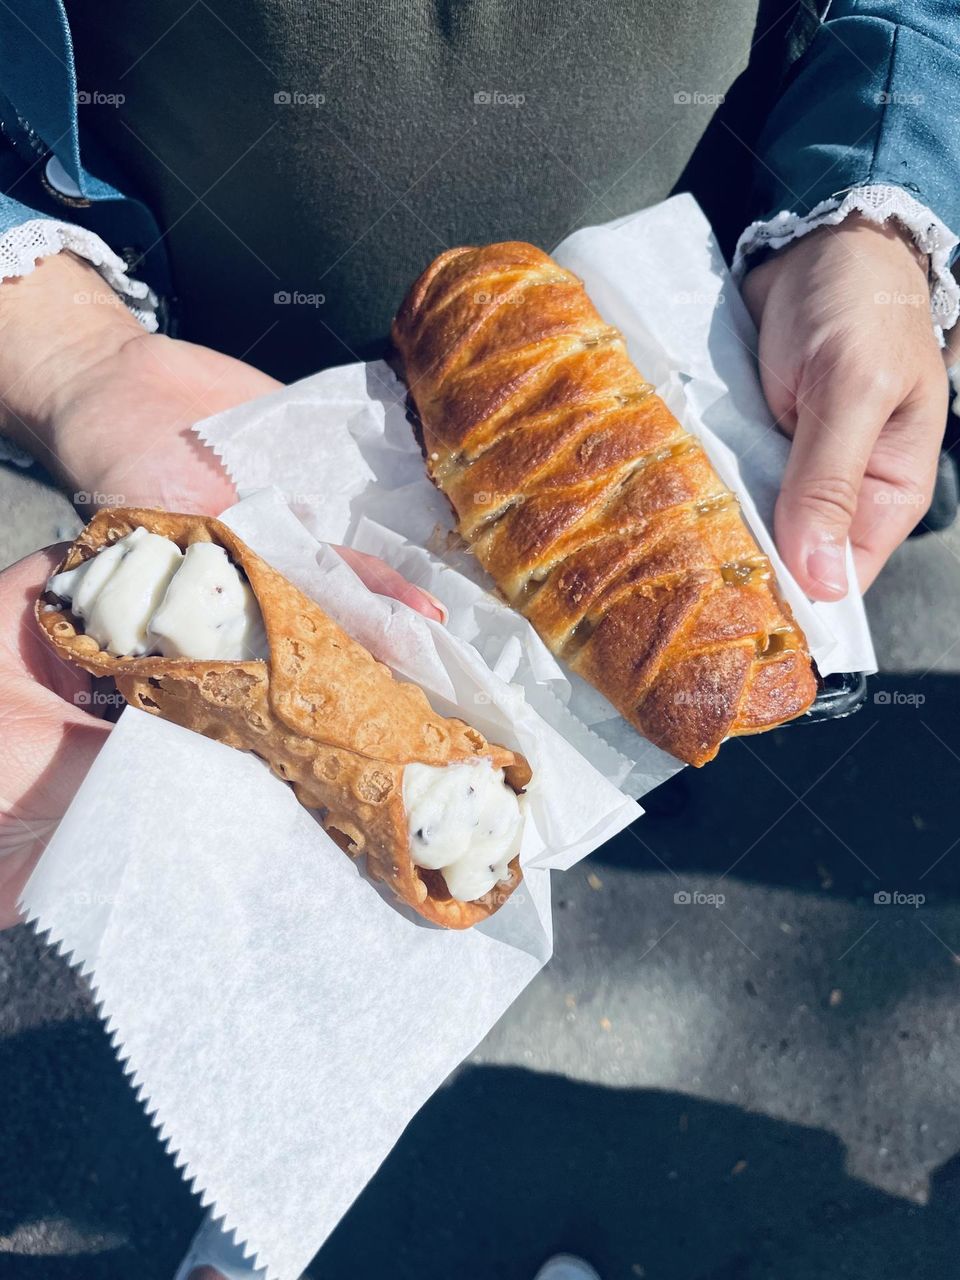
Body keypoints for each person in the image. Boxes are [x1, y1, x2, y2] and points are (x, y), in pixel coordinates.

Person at [0, 0, 957, 1272]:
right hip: (222, 387)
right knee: (289, 874)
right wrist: (70, 349)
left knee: (607, 769)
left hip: (687, 354)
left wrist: (878, 215)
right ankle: (270, 1160)